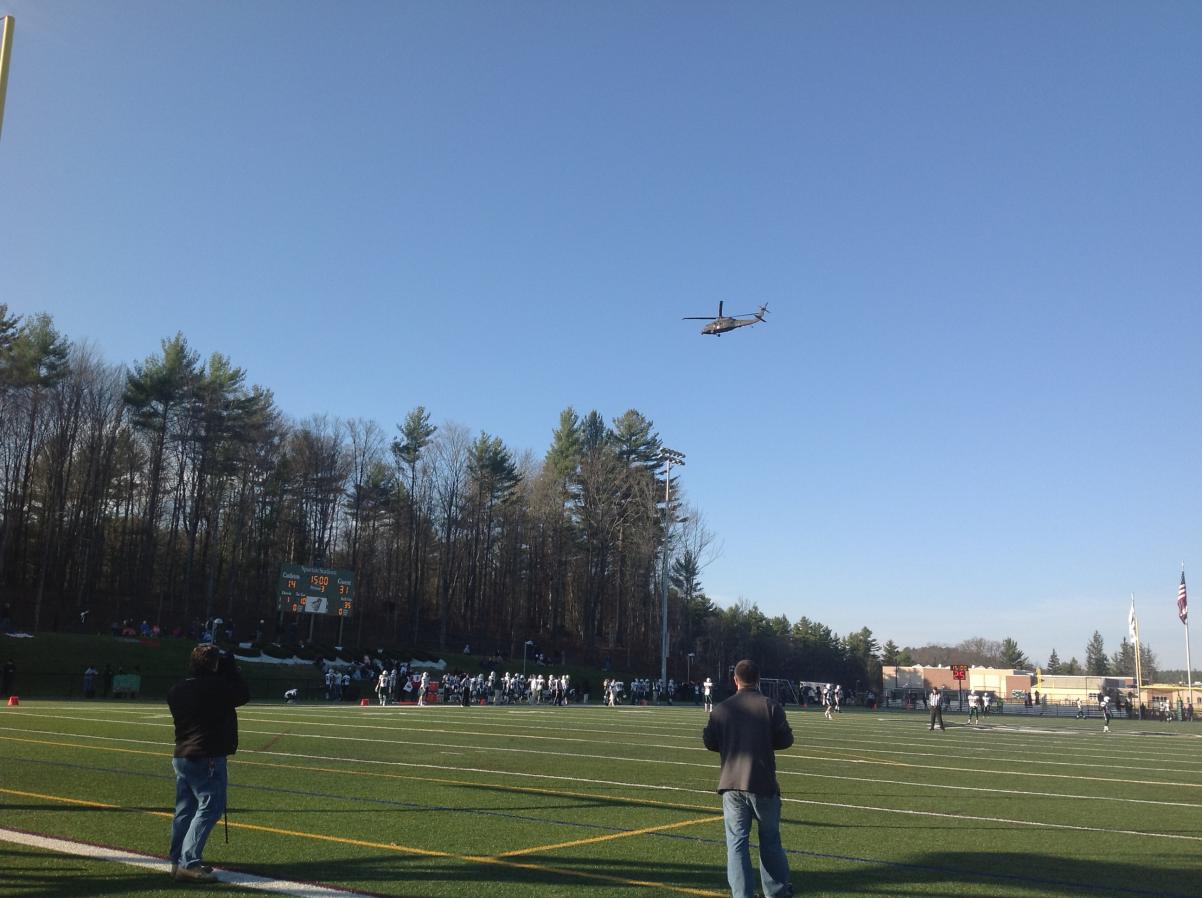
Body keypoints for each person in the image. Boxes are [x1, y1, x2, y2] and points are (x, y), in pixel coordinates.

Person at [702, 659, 794, 898]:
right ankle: (775, 891)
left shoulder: (721, 709)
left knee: (737, 844)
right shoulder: (769, 706)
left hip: (731, 783)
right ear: (758, 679)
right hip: (762, 781)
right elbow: (786, 740)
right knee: (770, 841)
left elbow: (709, 741)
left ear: (735, 680)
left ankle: (742, 894)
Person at [167, 644, 249, 883]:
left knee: (185, 811)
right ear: (213, 664)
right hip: (208, 755)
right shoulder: (217, 687)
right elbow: (242, 694)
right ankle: (189, 862)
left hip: (182, 754)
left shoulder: (177, 689)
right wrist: (231, 670)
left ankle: (177, 861)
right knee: (210, 807)